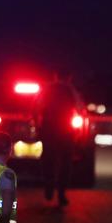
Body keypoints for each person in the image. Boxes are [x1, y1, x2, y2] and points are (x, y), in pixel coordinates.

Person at [40, 71, 77, 206]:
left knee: (48, 160)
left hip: (49, 130)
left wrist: (38, 127)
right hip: (65, 131)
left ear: (54, 75)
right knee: (65, 163)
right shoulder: (70, 89)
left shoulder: (47, 89)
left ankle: (49, 187)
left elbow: (36, 108)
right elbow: (78, 108)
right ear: (69, 77)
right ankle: (61, 193)